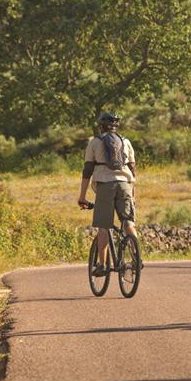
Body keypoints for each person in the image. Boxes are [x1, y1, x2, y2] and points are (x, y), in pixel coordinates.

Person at [78, 112, 137, 277]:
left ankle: (103, 264)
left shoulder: (95, 143)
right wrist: (133, 196)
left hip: (105, 185)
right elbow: (133, 171)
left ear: (100, 126)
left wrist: (82, 197)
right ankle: (136, 258)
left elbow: (87, 170)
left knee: (104, 226)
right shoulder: (126, 142)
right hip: (126, 185)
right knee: (128, 222)